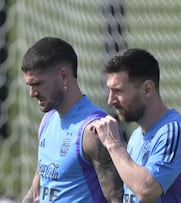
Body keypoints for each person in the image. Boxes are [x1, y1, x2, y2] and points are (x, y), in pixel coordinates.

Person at [91, 48, 181, 203]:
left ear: (147, 89)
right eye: (109, 91)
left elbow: (146, 190)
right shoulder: (136, 136)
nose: (110, 100)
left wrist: (113, 144)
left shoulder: (174, 133)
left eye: (118, 91)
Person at [21, 37, 123, 203]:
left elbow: (117, 198)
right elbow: (36, 193)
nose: (32, 93)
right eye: (29, 86)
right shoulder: (47, 121)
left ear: (63, 76)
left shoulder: (93, 131)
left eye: (38, 84)